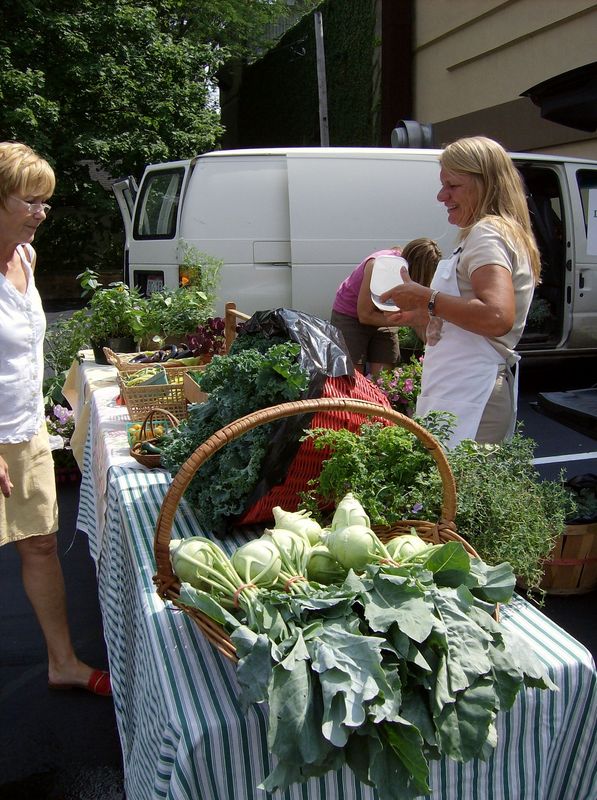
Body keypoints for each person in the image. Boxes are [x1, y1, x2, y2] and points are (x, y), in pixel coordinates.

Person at [0, 141, 111, 696]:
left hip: (23, 432)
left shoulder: (26, 258)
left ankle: (62, 662)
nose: (42, 212)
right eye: (31, 200)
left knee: (40, 544)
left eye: (47, 202)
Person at [380, 136, 540, 447]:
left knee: (456, 494)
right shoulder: (486, 233)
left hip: (473, 396)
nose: (442, 195)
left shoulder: (487, 234)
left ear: (485, 184)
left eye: (452, 185)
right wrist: (423, 316)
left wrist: (427, 298)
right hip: (463, 392)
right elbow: (471, 327)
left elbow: (497, 317)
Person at [331, 238, 441, 375]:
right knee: (353, 378)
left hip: (384, 315)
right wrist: (408, 320)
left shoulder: (412, 278)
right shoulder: (377, 265)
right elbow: (365, 315)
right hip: (350, 315)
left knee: (384, 377)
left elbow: (419, 322)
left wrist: (436, 349)